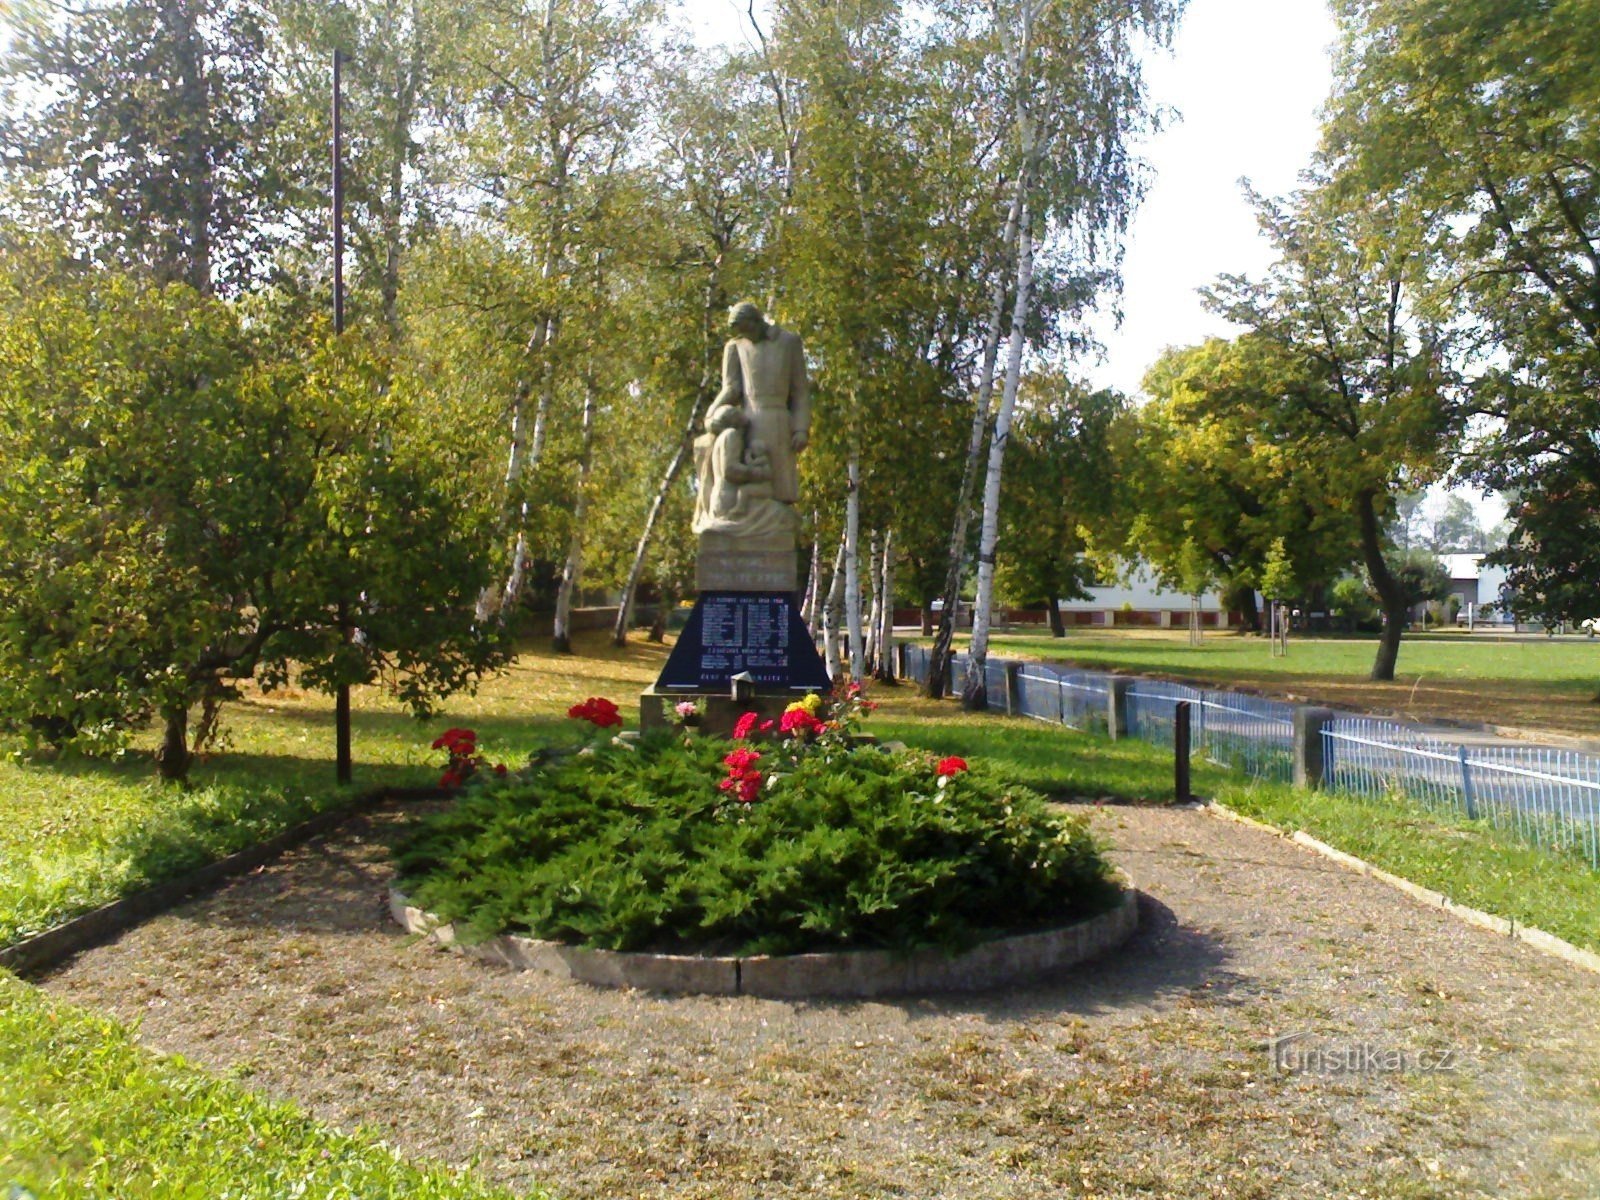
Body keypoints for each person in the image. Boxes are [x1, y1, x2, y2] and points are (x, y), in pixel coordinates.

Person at [705, 301, 809, 505]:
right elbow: (731, 389)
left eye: (747, 329)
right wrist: (712, 414)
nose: (746, 336)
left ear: (757, 320)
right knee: (752, 493)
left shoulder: (788, 342)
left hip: (779, 423)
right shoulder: (735, 347)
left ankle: (778, 530)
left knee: (780, 492)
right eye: (741, 332)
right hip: (749, 423)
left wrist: (801, 428)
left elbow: (800, 392)